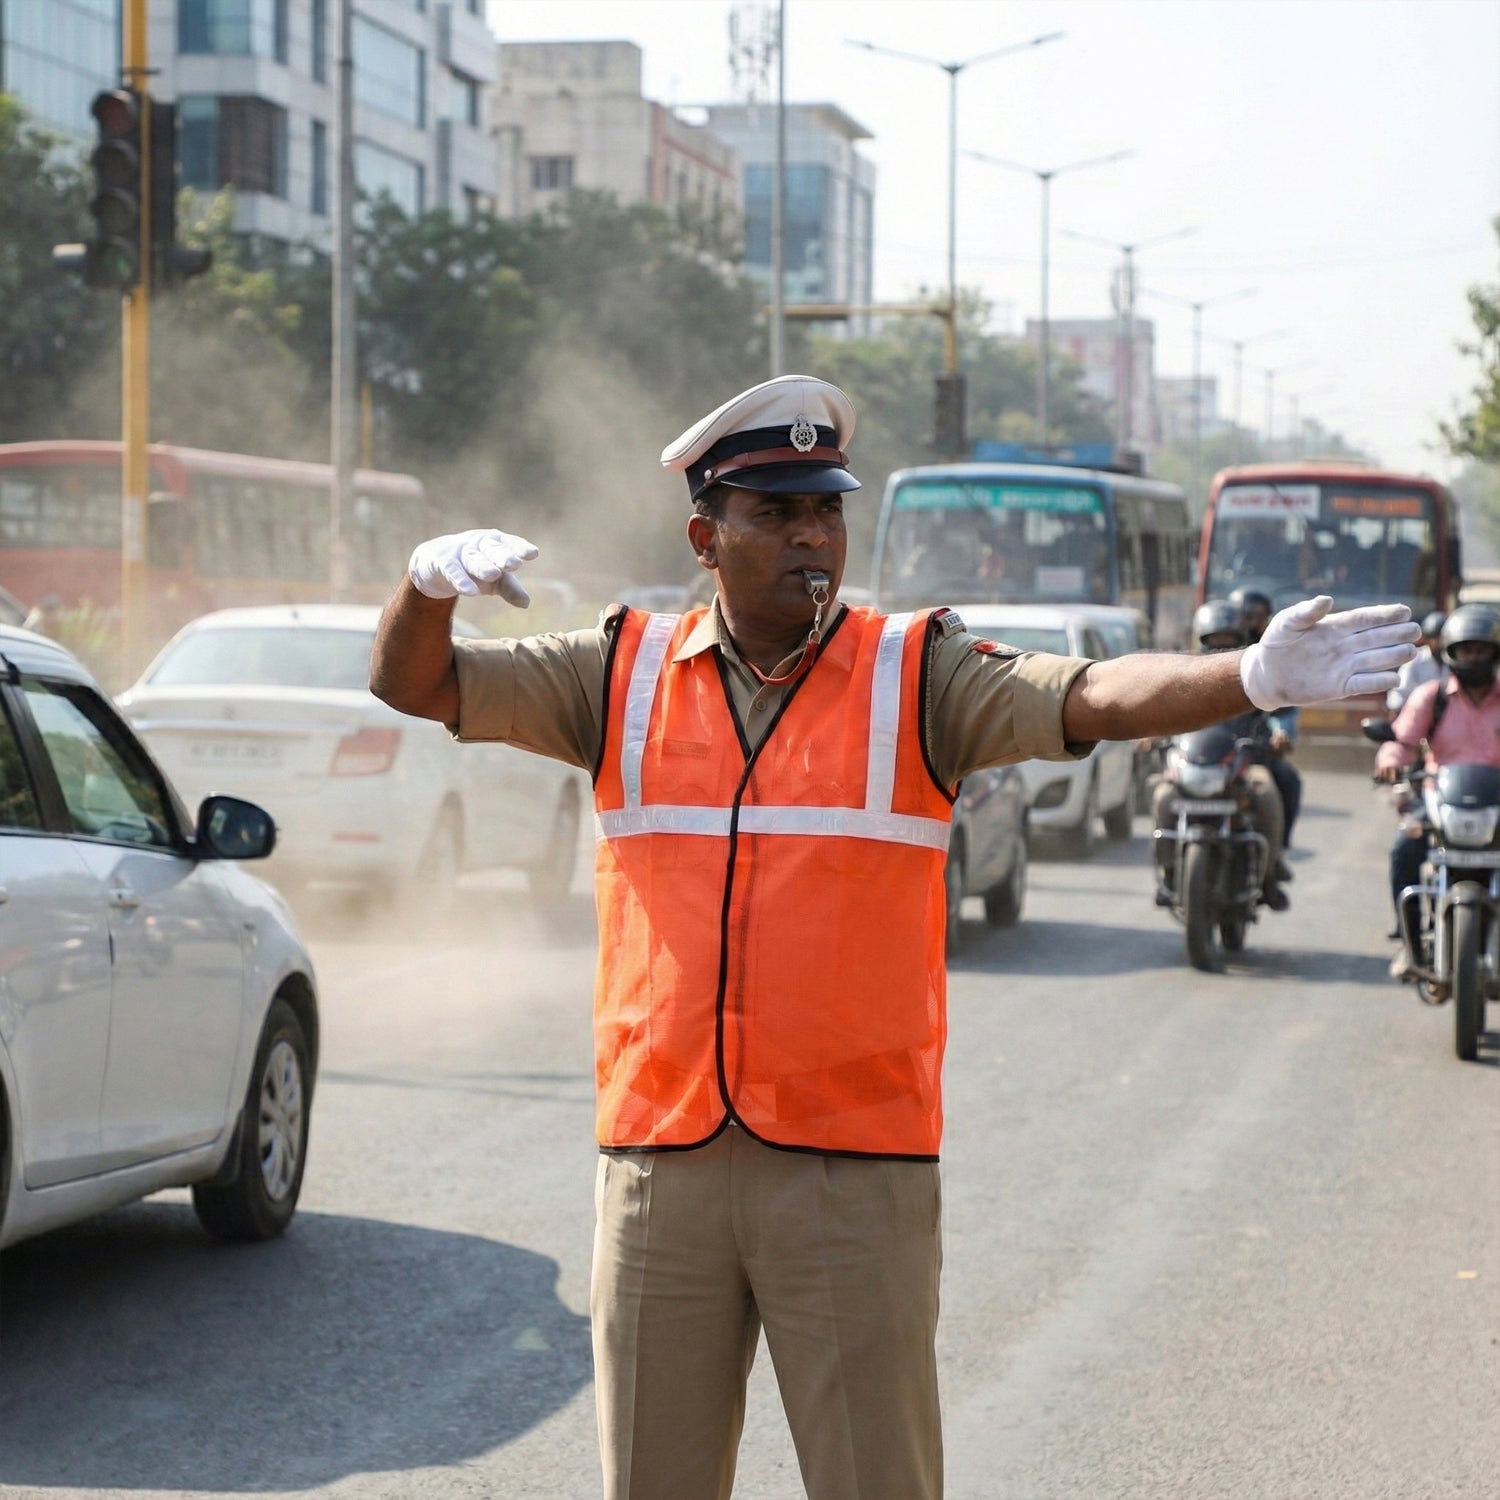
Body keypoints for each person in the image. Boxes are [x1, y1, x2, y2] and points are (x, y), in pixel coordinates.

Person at [369, 374, 1417, 1500]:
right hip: (658, 1165)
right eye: (776, 515)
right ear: (705, 537)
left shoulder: (915, 674)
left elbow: (1092, 695)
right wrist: (428, 589)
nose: (813, 535)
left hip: (849, 1170)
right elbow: (414, 683)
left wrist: (1246, 676)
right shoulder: (615, 673)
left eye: (827, 510)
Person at [1376, 603, 1500, 981]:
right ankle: (1412, 944)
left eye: (1480, 649)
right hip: (1440, 800)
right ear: (1452, 652)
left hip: (1496, 804)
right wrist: (1390, 758)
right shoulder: (1433, 696)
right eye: (1466, 650)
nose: (1473, 657)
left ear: (1494, 652)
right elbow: (1402, 739)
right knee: (1405, 847)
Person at [1150, 600, 1292, 912]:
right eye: (1214, 643)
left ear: (1241, 639)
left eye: (1228, 642)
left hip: (1239, 764)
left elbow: (1279, 708)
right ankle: (1169, 874)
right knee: (1162, 797)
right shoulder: (1182, 676)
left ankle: (1269, 873)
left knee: (1267, 790)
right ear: (1201, 641)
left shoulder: (1255, 672)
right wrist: (1149, 733)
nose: (1220, 650)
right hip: (1194, 765)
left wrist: (1278, 735)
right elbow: (1159, 710)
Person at [1230, 587, 1303, 847]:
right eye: (1245, 616)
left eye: (1257, 616)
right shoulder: (1209, 657)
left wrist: (1280, 734)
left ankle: (1275, 856)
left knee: (1287, 782)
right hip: (1209, 752)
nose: (1251, 623)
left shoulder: (1274, 659)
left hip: (1252, 752)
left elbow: (1282, 710)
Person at [1385, 608, 1446, 713]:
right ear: (1426, 639)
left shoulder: (1457, 660)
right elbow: (1400, 694)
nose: (1439, 642)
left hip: (1451, 719)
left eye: (1442, 638)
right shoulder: (1415, 659)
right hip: (1419, 716)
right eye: (1435, 638)